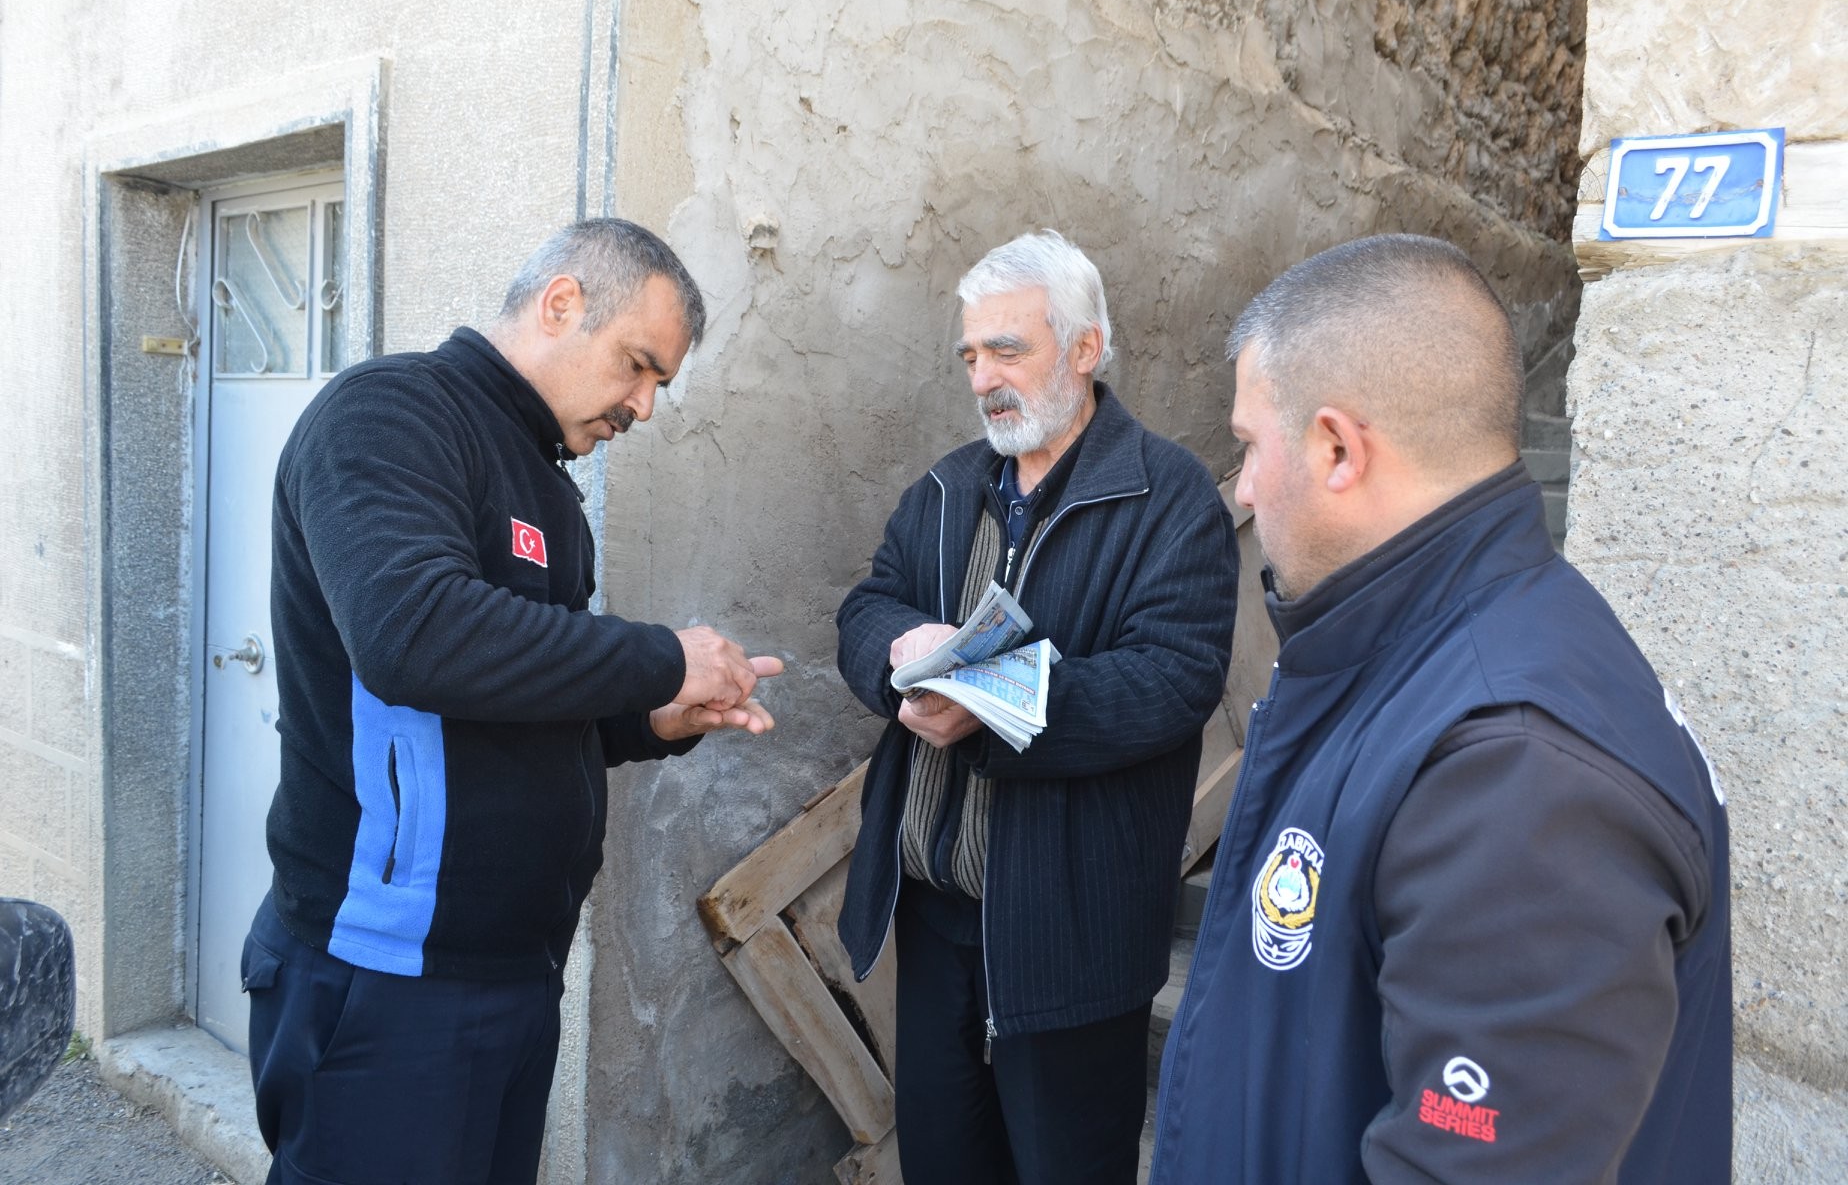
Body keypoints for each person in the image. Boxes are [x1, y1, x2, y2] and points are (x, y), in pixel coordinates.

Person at [1149, 234, 1731, 1183]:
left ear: (1338, 448)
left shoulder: (1517, 768)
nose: (1244, 488)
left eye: (1250, 446)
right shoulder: (1423, 656)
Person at [243, 218, 781, 1185]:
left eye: (661, 382)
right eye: (637, 366)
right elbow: (414, 636)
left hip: (510, 974)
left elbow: (506, 699)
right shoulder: (390, 415)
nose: (645, 407)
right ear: (561, 303)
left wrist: (646, 720)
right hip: (387, 978)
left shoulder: (547, 482)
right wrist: (660, 660)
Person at [835, 230, 1240, 1185]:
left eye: (1008, 350)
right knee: (942, 1165)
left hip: (1073, 929)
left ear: (1086, 349)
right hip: (934, 920)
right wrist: (899, 649)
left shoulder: (1170, 496)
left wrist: (991, 701)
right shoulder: (945, 487)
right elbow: (866, 605)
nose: (984, 378)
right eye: (971, 355)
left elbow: (1174, 679)